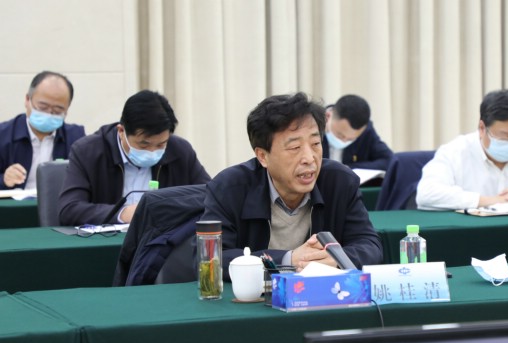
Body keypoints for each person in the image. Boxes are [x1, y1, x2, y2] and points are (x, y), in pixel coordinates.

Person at [201, 92, 383, 280]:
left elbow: (370, 246)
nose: (309, 158)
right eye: (295, 148)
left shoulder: (340, 182)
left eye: (315, 143)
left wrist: (337, 259)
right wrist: (287, 260)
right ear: (263, 156)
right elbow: (211, 258)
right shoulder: (229, 188)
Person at [58, 90, 211, 226]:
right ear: (121, 131)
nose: (152, 151)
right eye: (144, 144)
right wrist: (123, 214)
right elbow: (69, 209)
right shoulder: (88, 151)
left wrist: (170, 209)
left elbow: (210, 196)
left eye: (160, 145)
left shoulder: (179, 151)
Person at [0, 71, 85, 190]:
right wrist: (4, 179)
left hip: (57, 201)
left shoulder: (76, 137)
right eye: (43, 107)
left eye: (58, 110)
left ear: (67, 110)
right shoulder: (3, 135)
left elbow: (87, 179)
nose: (49, 114)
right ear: (27, 100)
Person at [323, 94, 393, 171]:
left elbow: (389, 161)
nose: (344, 141)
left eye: (351, 139)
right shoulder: (314, 124)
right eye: (340, 135)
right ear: (327, 116)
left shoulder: (366, 131)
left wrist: (347, 168)